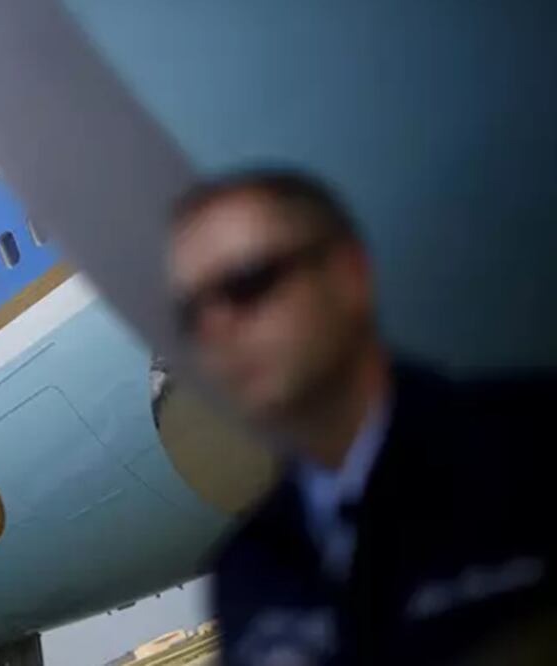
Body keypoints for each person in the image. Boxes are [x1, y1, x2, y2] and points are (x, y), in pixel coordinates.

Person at [168, 168, 555, 665]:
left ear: (349, 275)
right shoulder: (248, 572)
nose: (219, 329)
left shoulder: (531, 454)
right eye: (192, 314)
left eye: (248, 284)